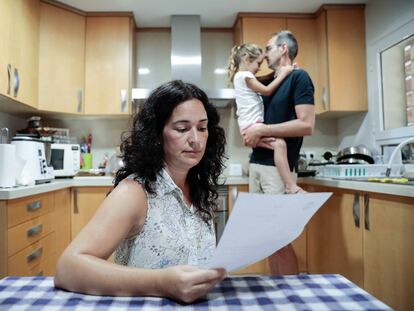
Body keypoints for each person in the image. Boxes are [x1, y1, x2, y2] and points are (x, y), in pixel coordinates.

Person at [54, 80, 227, 303]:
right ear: (157, 135)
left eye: (202, 128)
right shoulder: (134, 193)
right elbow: (68, 268)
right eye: (182, 129)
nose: (195, 139)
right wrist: (162, 283)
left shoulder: (200, 192)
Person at [243, 30, 315, 275]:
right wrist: (252, 135)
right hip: (257, 165)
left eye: (268, 47)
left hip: (278, 168)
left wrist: (263, 129)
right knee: (267, 241)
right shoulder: (266, 82)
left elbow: (306, 125)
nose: (264, 54)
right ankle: (277, 293)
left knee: (280, 241)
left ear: (283, 48)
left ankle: (291, 297)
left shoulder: (300, 78)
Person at [227, 43, 305, 194]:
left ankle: (290, 185)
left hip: (248, 127)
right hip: (253, 126)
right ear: (246, 59)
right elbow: (267, 90)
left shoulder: (240, 77)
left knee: (277, 145)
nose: (259, 68)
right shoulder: (246, 76)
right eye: (258, 63)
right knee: (280, 144)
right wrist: (284, 73)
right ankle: (290, 185)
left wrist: (283, 71)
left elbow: (264, 79)